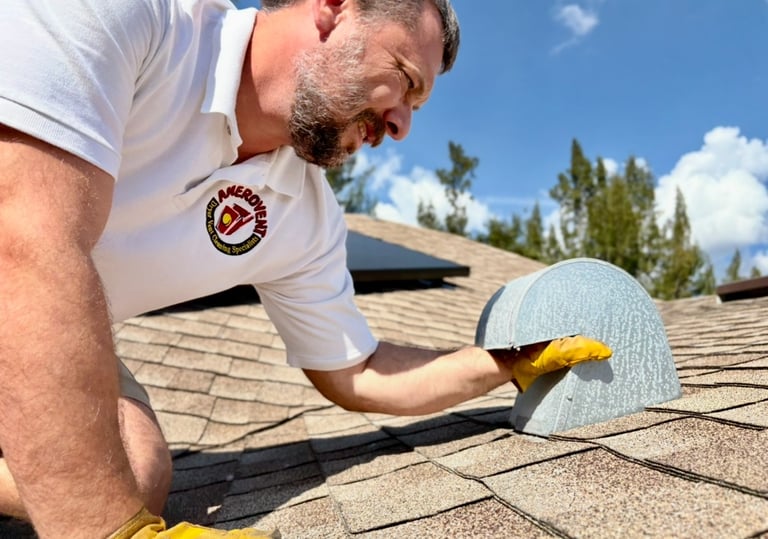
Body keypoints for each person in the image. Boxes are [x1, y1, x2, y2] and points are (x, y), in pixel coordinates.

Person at [0, 0, 611, 537]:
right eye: (404, 79)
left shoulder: (303, 214)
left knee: (132, 470)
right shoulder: (132, 16)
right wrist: (108, 531)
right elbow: (24, 238)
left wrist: (506, 362)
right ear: (335, 6)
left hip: (29, 317)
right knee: (95, 497)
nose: (401, 126)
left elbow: (361, 372)